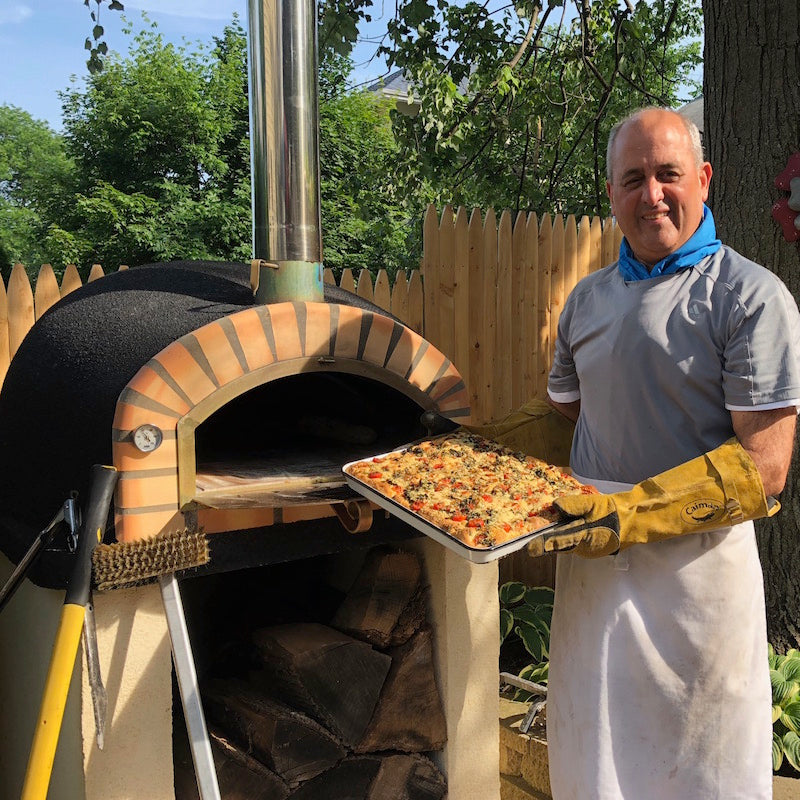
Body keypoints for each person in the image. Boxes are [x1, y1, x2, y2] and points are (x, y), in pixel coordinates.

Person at [539, 107, 800, 799]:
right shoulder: (585, 302)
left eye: (668, 175)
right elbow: (560, 421)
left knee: (698, 770)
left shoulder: (751, 298)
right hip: (595, 586)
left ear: (704, 179)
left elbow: (764, 470)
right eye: (633, 179)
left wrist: (627, 514)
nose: (652, 194)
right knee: (592, 758)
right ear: (611, 194)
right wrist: (457, 445)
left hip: (697, 584)